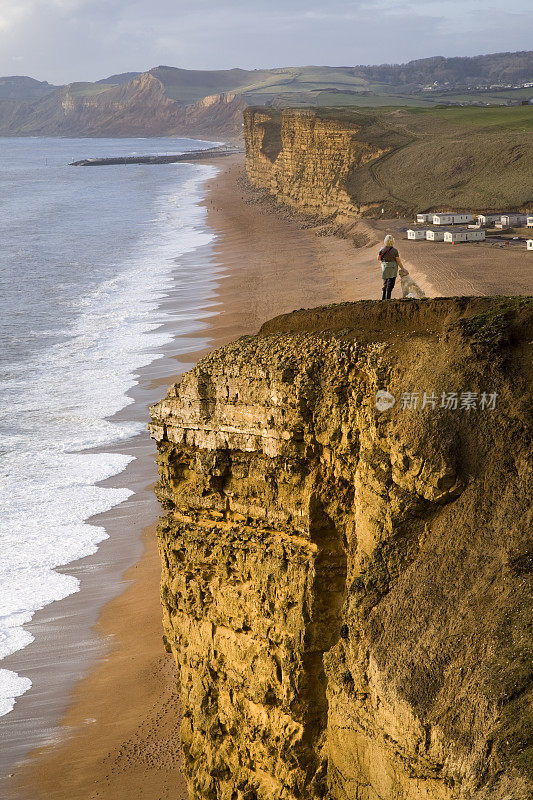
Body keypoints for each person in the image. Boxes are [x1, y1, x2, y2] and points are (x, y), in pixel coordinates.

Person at [378, 234, 407, 300]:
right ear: (393, 241)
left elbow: (378, 258)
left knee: (385, 283)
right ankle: (388, 299)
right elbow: (398, 261)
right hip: (393, 268)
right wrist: (403, 269)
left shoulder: (382, 249)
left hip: (384, 268)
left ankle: (383, 299)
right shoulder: (395, 250)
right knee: (390, 284)